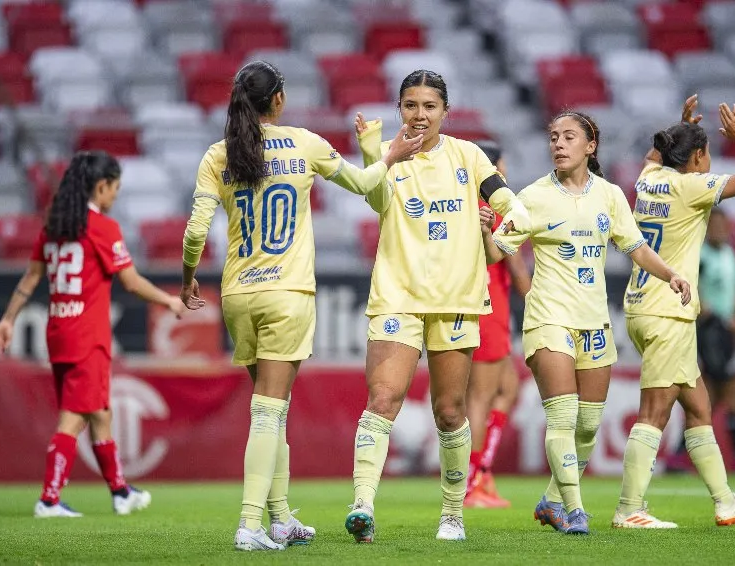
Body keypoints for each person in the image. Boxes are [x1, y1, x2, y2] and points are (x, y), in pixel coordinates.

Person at [180, 60, 422, 552]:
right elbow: (360, 184)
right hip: (287, 294)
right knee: (269, 411)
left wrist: (188, 281)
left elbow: (195, 232)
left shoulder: (217, 155)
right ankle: (249, 525)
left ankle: (281, 516)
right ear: (279, 100)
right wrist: (391, 154)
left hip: (239, 294)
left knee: (274, 410)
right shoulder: (304, 143)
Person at [480, 110, 690, 535]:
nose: (557, 143)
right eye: (553, 136)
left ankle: (553, 501)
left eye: (568, 136)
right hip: (548, 318)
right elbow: (495, 254)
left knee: (589, 426)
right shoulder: (534, 196)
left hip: (594, 321)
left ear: (590, 145)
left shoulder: (610, 196)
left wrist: (671, 274)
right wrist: (486, 230)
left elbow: (636, 248)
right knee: (562, 417)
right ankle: (575, 512)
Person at [344, 69, 531, 543]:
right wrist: (381, 154)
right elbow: (372, 195)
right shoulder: (388, 156)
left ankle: (452, 514)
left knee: (450, 412)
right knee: (383, 400)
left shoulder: (469, 156)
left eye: (429, 106)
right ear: (399, 109)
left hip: (455, 301)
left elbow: (514, 208)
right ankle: (362, 504)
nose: (420, 114)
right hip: (397, 296)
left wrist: (498, 232)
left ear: (445, 111)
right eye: (410, 105)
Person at [0, 151, 186, 518]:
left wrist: (7, 320)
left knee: (100, 412)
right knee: (76, 415)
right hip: (87, 336)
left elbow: (31, 277)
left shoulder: (54, 227)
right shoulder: (103, 229)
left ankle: (120, 492)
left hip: (60, 331)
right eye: (114, 188)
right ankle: (49, 499)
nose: (115, 196)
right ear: (100, 186)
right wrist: (169, 301)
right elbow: (130, 282)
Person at [613, 95, 735, 529]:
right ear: (698, 156)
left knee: (698, 408)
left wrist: (678, 128)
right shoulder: (691, 187)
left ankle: (725, 502)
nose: (710, 160)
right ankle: (629, 510)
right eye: (707, 153)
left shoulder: (648, 180)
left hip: (648, 308)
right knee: (655, 413)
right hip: (668, 311)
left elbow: (655, 155)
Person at [667, 210, 735, 474]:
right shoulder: (701, 255)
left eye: (723, 224)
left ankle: (677, 456)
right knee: (729, 391)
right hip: (710, 332)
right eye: (715, 225)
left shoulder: (729, 255)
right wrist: (724, 320)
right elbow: (694, 290)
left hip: (727, 334)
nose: (720, 230)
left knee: (712, 397)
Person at [464, 140, 531, 509]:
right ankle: (472, 483)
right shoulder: (496, 211)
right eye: (500, 167)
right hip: (490, 311)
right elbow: (520, 276)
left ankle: (482, 472)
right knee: (480, 398)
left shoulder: (463, 207)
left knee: (507, 389)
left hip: (482, 309)